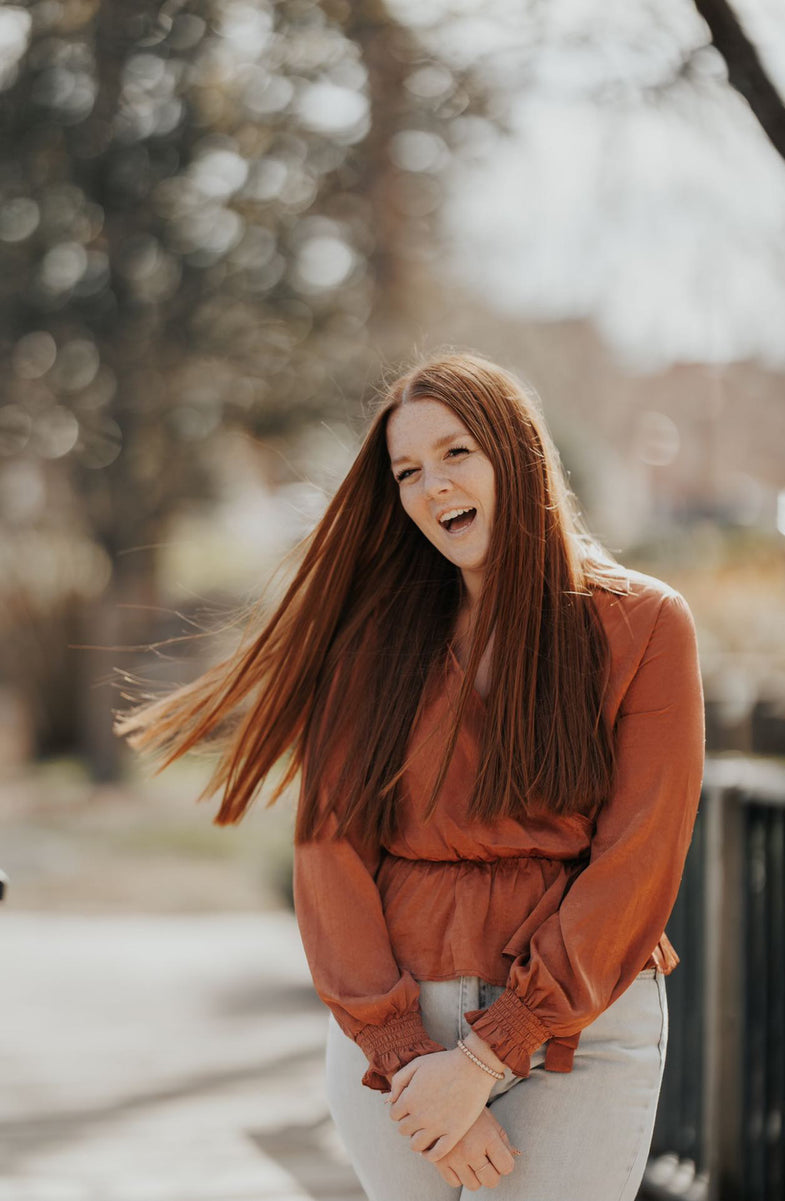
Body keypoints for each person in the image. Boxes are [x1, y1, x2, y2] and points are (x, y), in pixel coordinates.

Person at [115, 350, 705, 1200]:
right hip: (394, 1034)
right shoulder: (371, 643)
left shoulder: (645, 624)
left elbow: (638, 857)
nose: (433, 486)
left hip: (575, 1029)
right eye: (408, 470)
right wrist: (401, 1050)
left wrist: (487, 1053)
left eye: (456, 452)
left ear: (518, 452)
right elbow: (330, 856)